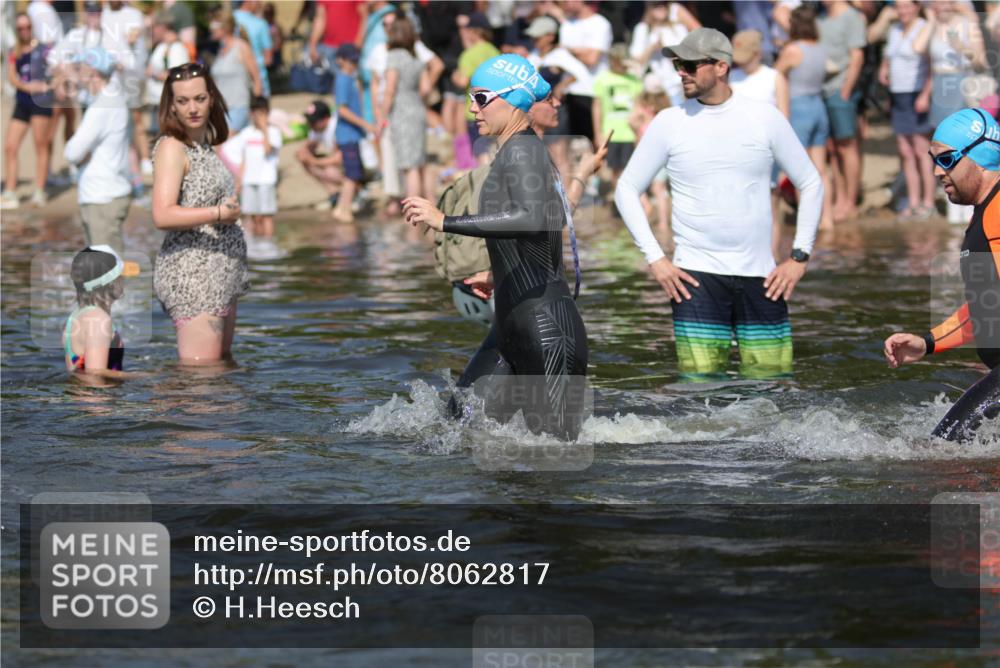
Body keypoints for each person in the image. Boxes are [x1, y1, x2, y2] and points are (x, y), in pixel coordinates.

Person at [614, 28, 823, 378]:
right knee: (700, 391)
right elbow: (626, 189)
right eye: (679, 64)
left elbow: (811, 181)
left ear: (721, 66)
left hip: (762, 276)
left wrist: (800, 257)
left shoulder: (764, 117)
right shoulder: (669, 122)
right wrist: (656, 260)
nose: (681, 71)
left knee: (771, 390)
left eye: (690, 65)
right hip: (694, 279)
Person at [403, 54, 589, 441]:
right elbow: (543, 229)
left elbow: (532, 218)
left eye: (482, 97)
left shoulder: (523, 151)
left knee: (553, 462)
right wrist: (500, 271)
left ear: (513, 99)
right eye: (470, 97)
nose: (472, 107)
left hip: (545, 329)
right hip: (510, 324)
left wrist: (444, 221)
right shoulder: (514, 153)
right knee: (455, 428)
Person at [885, 108, 1000, 442]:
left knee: (942, 453)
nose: (936, 171)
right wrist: (929, 342)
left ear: (980, 156)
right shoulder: (983, 217)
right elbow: (986, 309)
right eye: (933, 160)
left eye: (947, 160)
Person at [151, 62, 247, 364]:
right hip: (193, 276)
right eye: (183, 101)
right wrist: (218, 213)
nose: (192, 108)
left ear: (212, 98)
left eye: (199, 99)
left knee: (222, 372)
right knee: (201, 382)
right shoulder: (172, 147)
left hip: (221, 274)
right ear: (172, 106)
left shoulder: (203, 146)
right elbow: (162, 215)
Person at [63, 46, 132, 254]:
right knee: (103, 274)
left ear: (92, 72)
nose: (77, 73)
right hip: (106, 193)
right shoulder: (112, 98)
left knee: (105, 275)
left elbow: (71, 152)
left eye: (80, 68)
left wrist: (81, 153)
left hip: (102, 197)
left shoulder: (102, 105)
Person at [873, 0, 935, 220]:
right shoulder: (895, 29)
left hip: (916, 93)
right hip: (897, 94)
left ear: (916, 7)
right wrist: (884, 69)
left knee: (921, 151)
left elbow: (931, 66)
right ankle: (913, 200)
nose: (903, 11)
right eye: (899, 7)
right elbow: (888, 57)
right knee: (906, 152)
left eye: (907, 6)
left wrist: (926, 94)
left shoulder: (923, 28)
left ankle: (928, 203)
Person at [774, 6, 834, 230]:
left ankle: (806, 223)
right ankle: (826, 219)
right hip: (818, 106)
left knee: (799, 169)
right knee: (821, 169)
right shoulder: (820, 48)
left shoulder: (792, 49)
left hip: (798, 108)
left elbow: (776, 73)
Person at [819, 0, 867, 222]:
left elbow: (857, 56)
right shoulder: (820, 16)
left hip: (841, 89)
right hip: (822, 90)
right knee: (832, 148)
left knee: (847, 146)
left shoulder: (852, 17)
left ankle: (850, 201)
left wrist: (846, 90)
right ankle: (839, 197)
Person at [3, 12, 53, 210]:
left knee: (40, 145)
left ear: (32, 27)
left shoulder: (45, 49)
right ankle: (10, 191)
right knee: (10, 146)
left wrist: (46, 86)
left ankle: (40, 190)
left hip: (41, 103)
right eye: (20, 28)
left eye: (27, 27)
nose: (24, 31)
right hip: (22, 101)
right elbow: (12, 77)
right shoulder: (13, 51)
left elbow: (59, 72)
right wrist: (27, 87)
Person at [378, 14, 430, 202]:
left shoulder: (394, 57)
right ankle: (428, 205)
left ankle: (413, 211)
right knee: (420, 163)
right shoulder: (416, 58)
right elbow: (426, 89)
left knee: (410, 167)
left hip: (401, 113)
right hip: (417, 110)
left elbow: (390, 90)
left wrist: (381, 118)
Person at [333, 43, 378, 223]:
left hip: (353, 134)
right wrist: (365, 124)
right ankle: (344, 209)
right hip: (347, 134)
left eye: (355, 61)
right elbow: (342, 110)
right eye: (350, 61)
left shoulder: (352, 79)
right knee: (352, 174)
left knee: (354, 173)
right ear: (340, 61)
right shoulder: (342, 80)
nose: (353, 64)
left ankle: (342, 208)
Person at [591, 43, 643, 201]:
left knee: (628, 170)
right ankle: (618, 200)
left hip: (630, 133)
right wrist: (598, 132)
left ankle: (625, 200)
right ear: (614, 61)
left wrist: (639, 131)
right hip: (610, 132)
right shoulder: (603, 79)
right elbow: (597, 107)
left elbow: (639, 107)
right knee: (613, 169)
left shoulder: (634, 80)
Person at [65, 245, 127, 375]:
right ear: (112, 283)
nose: (124, 279)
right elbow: (95, 375)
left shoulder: (75, 317)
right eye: (121, 275)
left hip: (77, 395)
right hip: (98, 395)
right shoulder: (98, 319)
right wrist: (142, 378)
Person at [559, 0, 613, 143]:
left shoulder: (600, 23)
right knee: (574, 146)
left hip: (592, 92)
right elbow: (562, 57)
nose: (565, 2)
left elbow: (592, 59)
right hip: (570, 92)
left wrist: (570, 50)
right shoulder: (567, 24)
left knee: (595, 143)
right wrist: (581, 51)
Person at [628, 0, 700, 107]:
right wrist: (652, 47)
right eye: (656, 6)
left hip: (682, 86)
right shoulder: (643, 29)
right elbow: (636, 60)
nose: (662, 7)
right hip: (659, 91)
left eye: (664, 4)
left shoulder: (679, 27)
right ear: (649, 8)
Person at [455, 12, 501, 166]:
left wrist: (455, 76)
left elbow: (462, 82)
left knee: (481, 152)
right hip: (495, 107)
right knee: (494, 149)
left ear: (474, 32)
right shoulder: (495, 51)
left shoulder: (469, 55)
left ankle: (487, 185)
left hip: (476, 111)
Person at [209, 12, 263, 134]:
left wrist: (256, 107)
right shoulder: (220, 51)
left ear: (225, 28)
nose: (210, 30)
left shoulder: (241, 47)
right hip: (221, 109)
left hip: (240, 106)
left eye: (214, 27)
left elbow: (256, 78)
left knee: (223, 144)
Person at [236, 95, 282, 238]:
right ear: (251, 114)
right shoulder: (246, 133)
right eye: (257, 113)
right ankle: (252, 246)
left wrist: (264, 129)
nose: (260, 117)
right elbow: (243, 159)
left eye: (263, 113)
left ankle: (268, 246)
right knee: (250, 216)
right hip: (249, 180)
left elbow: (268, 150)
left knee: (266, 216)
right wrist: (239, 181)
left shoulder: (274, 132)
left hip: (266, 180)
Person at [145, 12, 189, 139]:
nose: (151, 31)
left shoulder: (177, 48)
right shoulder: (162, 46)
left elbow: (178, 76)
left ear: (162, 27)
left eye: (153, 27)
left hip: (167, 105)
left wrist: (153, 73)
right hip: (157, 103)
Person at [295, 100, 345, 211]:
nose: (311, 125)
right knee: (306, 161)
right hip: (341, 164)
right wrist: (304, 153)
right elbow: (307, 148)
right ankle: (334, 195)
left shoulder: (337, 128)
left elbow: (340, 158)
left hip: (356, 166)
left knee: (329, 170)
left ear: (326, 118)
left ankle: (354, 191)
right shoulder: (317, 129)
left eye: (314, 122)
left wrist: (313, 161)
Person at [730, 30, 785, 111]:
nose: (740, 62)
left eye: (746, 59)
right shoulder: (729, 77)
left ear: (758, 53)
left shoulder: (774, 78)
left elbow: (784, 116)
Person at [234, 0, 273, 98]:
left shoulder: (229, 20)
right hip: (258, 81)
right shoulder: (260, 24)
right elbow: (268, 59)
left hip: (235, 82)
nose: (260, 2)